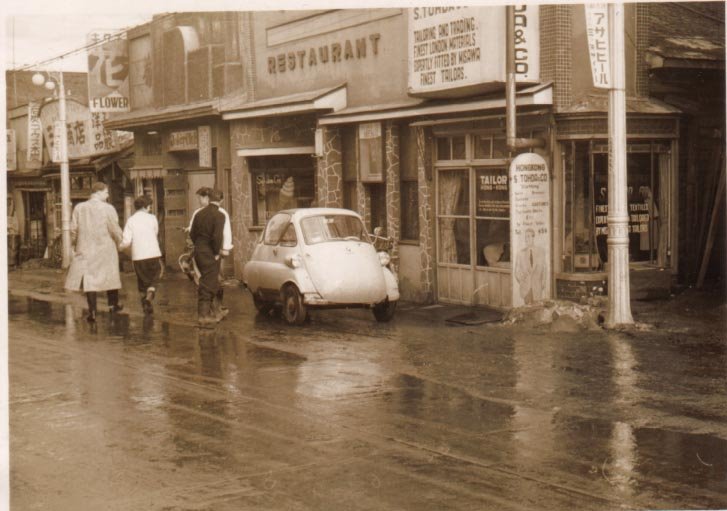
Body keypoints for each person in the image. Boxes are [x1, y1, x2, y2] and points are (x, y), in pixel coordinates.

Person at [64, 181, 124, 322]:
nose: (108, 195)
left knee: (89, 280)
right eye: (106, 192)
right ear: (98, 192)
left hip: (85, 249)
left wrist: (74, 244)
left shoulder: (80, 207)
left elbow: (73, 229)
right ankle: (112, 305)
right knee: (110, 276)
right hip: (105, 248)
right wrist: (120, 240)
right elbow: (114, 228)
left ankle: (92, 312)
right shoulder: (108, 208)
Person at [186, 187, 233, 320]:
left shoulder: (198, 213)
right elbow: (218, 236)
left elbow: (192, 233)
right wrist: (218, 252)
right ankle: (207, 314)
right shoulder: (220, 214)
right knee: (212, 282)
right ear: (221, 200)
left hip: (199, 251)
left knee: (206, 281)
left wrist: (199, 246)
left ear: (209, 198)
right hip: (213, 252)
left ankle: (212, 312)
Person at [119, 195, 163, 314]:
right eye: (149, 206)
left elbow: (126, 241)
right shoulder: (152, 218)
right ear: (145, 206)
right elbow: (155, 232)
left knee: (142, 280)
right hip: (153, 253)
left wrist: (120, 247)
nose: (150, 208)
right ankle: (150, 296)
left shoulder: (131, 220)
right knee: (155, 276)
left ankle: (145, 305)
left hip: (138, 256)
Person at [514, 228, 545, 305]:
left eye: (528, 236)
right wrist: (522, 279)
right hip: (526, 289)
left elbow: (544, 269)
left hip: (537, 288)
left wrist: (543, 283)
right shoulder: (520, 253)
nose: (526, 239)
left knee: (537, 309)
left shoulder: (540, 252)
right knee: (527, 310)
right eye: (525, 237)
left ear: (533, 237)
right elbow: (517, 270)